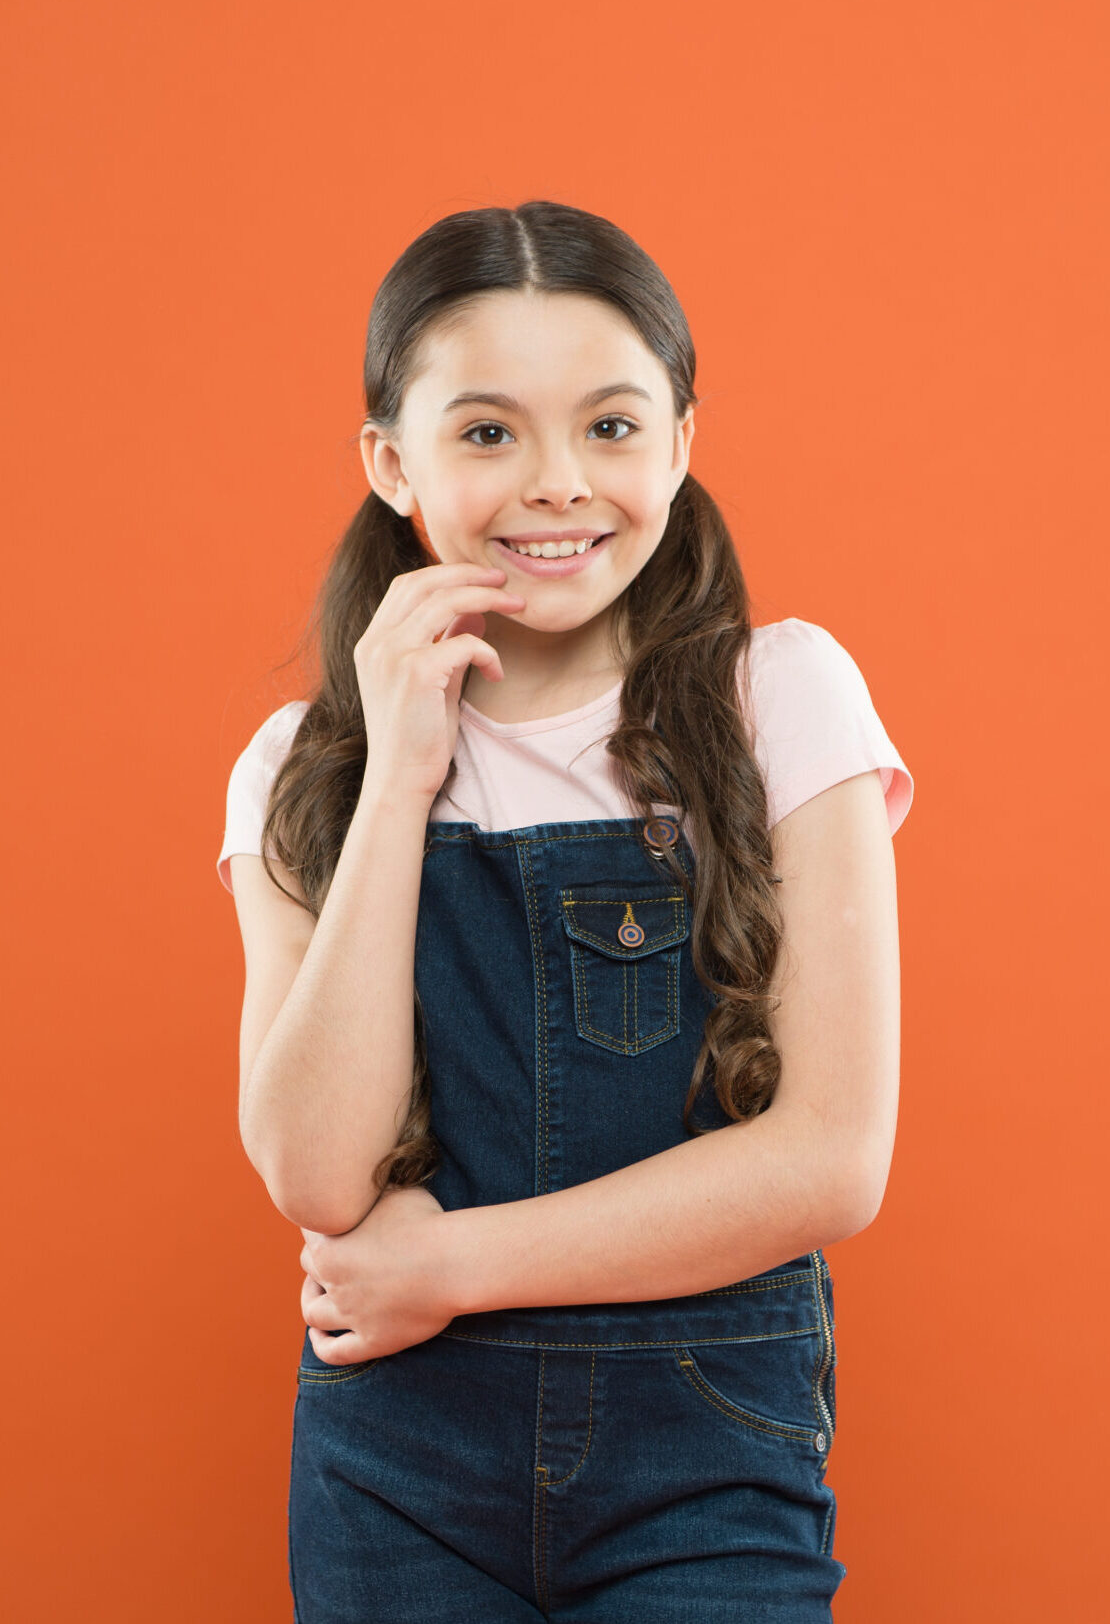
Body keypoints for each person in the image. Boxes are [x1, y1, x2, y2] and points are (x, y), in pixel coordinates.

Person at [217, 199, 914, 1621]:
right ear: (388, 461)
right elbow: (313, 1169)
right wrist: (403, 770)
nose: (555, 483)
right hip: (393, 1452)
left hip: (707, 1438)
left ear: (680, 440)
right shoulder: (303, 767)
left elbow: (831, 1160)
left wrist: (447, 1265)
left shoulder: (778, 696)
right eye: (485, 433)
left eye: (608, 424)